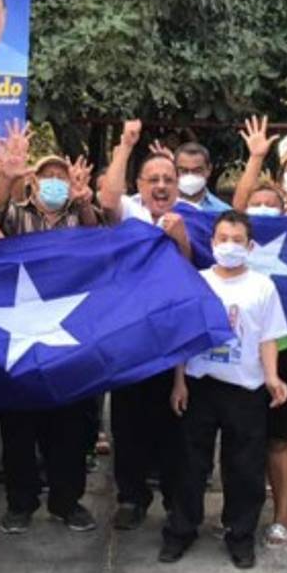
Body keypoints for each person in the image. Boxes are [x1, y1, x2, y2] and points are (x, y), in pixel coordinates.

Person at [162, 210, 287, 569]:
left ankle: (240, 534)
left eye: (237, 240)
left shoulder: (263, 286)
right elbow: (184, 338)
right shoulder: (198, 282)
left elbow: (268, 338)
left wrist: (272, 377)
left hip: (244, 389)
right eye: (223, 239)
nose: (229, 246)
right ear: (212, 242)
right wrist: (179, 381)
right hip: (201, 385)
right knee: (189, 463)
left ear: (249, 246)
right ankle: (181, 530)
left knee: (245, 466)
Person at [0, 142, 100, 534]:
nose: (55, 182)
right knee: (19, 427)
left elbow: (101, 244)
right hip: (20, 335)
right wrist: (8, 177)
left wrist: (85, 201)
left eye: (61, 176)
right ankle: (21, 503)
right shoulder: (17, 214)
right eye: (47, 176)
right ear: (34, 181)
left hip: (69, 337)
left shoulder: (81, 214)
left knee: (68, 428)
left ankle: (67, 503)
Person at [227, 118, 287, 544]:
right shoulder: (233, 239)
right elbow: (238, 203)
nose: (264, 207)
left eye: (273, 202)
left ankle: (283, 514)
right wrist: (255, 158)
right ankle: (239, 517)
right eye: (257, 203)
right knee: (242, 439)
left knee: (279, 438)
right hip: (241, 350)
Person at [98, 118, 191, 530]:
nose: (161, 186)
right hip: (130, 339)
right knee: (129, 425)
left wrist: (181, 237)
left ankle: (175, 500)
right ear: (140, 184)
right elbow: (106, 199)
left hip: (172, 341)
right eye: (152, 178)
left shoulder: (190, 216)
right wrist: (125, 144)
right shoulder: (130, 211)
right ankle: (132, 497)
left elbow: (192, 269)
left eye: (168, 178)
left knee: (175, 427)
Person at [173, 142, 230, 212]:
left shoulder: (222, 212)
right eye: (184, 171)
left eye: (197, 171)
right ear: (174, 170)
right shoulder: (162, 207)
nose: (190, 176)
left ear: (209, 170)